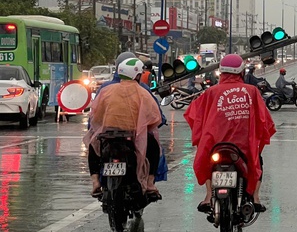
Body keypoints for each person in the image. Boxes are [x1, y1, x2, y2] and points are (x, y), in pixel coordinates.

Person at [184, 54, 276, 212]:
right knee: (257, 161)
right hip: (244, 146)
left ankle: (208, 196)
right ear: (241, 73)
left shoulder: (211, 92)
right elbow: (264, 120)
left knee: (206, 160)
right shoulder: (251, 91)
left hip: (214, 144)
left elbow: (194, 116)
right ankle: (255, 197)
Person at [83, 58, 163, 198]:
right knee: (153, 147)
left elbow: (95, 115)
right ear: (137, 75)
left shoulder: (106, 90)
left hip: (107, 135)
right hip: (132, 136)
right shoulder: (142, 92)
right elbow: (155, 118)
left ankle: (95, 182)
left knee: (93, 147)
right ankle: (150, 183)